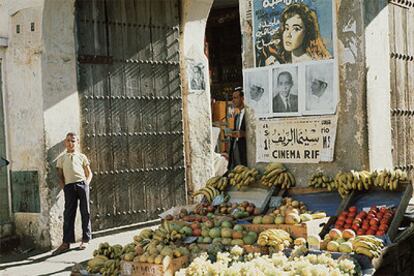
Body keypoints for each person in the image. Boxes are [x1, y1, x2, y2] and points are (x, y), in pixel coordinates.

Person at [53, 132, 93, 255]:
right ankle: (66, 242)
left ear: (77, 142)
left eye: (73, 141)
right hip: (69, 187)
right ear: (65, 143)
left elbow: (89, 173)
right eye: (68, 141)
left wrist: (86, 183)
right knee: (69, 213)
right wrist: (64, 187)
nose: (70, 143)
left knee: (85, 212)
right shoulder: (61, 159)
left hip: (82, 185)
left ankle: (85, 239)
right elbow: (60, 176)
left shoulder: (82, 157)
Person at [227, 87, 247, 170]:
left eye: (235, 98)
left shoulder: (249, 115)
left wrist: (244, 134)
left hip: (245, 151)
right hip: (236, 149)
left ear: (242, 98)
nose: (233, 101)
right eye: (233, 98)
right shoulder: (237, 116)